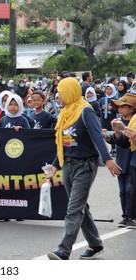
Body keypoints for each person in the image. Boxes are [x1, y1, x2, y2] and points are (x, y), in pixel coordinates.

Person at [45, 77, 121, 260]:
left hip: (85, 165)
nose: (59, 97)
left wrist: (108, 159)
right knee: (80, 207)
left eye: (62, 93)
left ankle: (63, 250)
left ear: (71, 92)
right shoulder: (64, 113)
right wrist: (55, 166)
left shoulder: (85, 110)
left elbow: (97, 136)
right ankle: (95, 244)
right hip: (68, 166)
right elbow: (64, 144)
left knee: (73, 208)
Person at [107, 94, 136, 229]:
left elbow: (128, 142)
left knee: (131, 189)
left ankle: (130, 216)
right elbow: (119, 142)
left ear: (132, 108)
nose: (120, 109)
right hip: (120, 160)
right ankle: (125, 216)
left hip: (132, 160)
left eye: (123, 106)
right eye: (119, 106)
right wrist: (113, 134)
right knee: (122, 190)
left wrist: (123, 132)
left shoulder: (134, 122)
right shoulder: (117, 121)